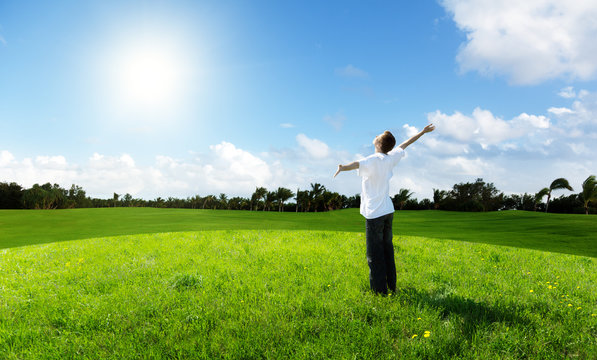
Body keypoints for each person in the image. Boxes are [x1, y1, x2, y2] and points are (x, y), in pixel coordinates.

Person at [334, 124, 435, 294]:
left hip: (375, 214)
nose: (376, 136)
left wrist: (342, 168)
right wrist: (423, 132)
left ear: (379, 144)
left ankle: (379, 292)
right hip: (388, 211)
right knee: (387, 250)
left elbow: (356, 164)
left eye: (378, 136)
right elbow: (405, 144)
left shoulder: (373, 160)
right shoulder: (391, 158)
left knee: (374, 254)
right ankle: (391, 286)